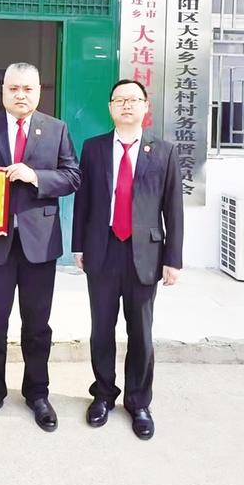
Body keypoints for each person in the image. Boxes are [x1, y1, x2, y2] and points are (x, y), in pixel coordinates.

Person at [0, 62, 80, 433]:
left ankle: (37, 393)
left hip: (39, 245)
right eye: (13, 88)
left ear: (38, 91)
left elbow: (72, 176)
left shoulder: (56, 129)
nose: (20, 95)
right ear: (3, 91)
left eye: (28, 88)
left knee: (37, 325)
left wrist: (35, 176)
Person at [72, 79, 184, 440]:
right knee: (102, 329)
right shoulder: (93, 148)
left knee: (141, 332)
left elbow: (173, 209)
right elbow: (83, 201)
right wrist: (78, 245)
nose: (126, 105)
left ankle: (138, 402)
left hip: (145, 254)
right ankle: (103, 395)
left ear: (145, 106)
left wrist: (173, 259)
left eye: (133, 99)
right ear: (110, 107)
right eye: (119, 100)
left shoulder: (164, 151)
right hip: (102, 249)